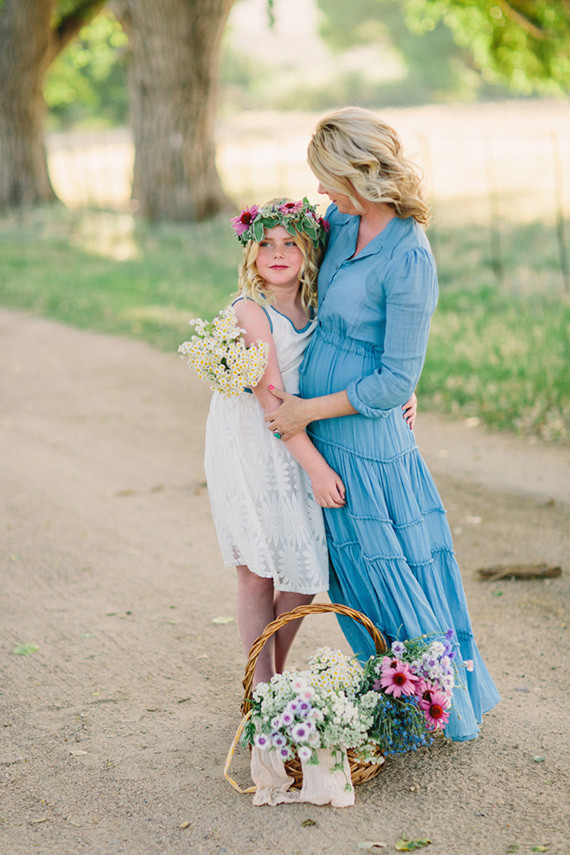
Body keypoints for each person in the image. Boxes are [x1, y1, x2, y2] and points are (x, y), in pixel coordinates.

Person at [263, 109, 500, 741]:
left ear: (361, 173)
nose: (320, 193)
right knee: (355, 571)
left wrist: (307, 410)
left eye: (328, 179)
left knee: (390, 562)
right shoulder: (339, 222)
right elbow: (280, 264)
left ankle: (429, 704)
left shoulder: (409, 254)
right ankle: (398, 705)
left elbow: (395, 376)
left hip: (362, 431)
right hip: (324, 418)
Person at [204, 197, 419, 686]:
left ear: (308, 251)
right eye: (266, 244)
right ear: (251, 254)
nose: (277, 253)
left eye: (290, 244)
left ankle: (270, 676)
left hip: (296, 438)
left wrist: (406, 389)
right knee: (258, 567)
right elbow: (273, 404)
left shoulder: (316, 302)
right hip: (253, 444)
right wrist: (319, 470)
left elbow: (375, 338)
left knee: (304, 568)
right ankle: (261, 689)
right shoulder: (251, 312)